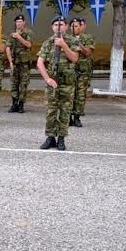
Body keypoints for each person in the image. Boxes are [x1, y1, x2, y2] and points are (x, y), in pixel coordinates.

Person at [36, 16, 80, 151]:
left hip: (67, 84)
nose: (58, 27)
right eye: (56, 25)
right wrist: (47, 79)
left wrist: (63, 45)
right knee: (51, 111)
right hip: (52, 83)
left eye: (61, 25)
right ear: (52, 27)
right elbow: (40, 62)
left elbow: (74, 59)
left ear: (66, 27)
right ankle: (50, 138)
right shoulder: (47, 43)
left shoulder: (72, 41)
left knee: (65, 112)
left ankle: (61, 138)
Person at [70, 17, 94, 127]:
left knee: (80, 95)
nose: (74, 28)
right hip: (70, 71)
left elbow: (88, 52)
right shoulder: (67, 38)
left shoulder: (87, 38)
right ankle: (68, 117)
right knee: (69, 94)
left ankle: (77, 117)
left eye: (76, 26)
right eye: (72, 26)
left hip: (83, 71)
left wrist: (79, 45)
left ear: (81, 27)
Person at [8, 14, 32, 113]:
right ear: (15, 23)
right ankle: (14, 104)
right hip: (14, 63)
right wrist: (10, 62)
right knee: (14, 83)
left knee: (23, 84)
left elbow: (29, 45)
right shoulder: (11, 35)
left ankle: (21, 104)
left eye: (21, 22)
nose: (19, 23)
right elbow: (7, 48)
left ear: (24, 23)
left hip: (24, 64)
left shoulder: (27, 34)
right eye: (17, 22)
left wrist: (19, 37)